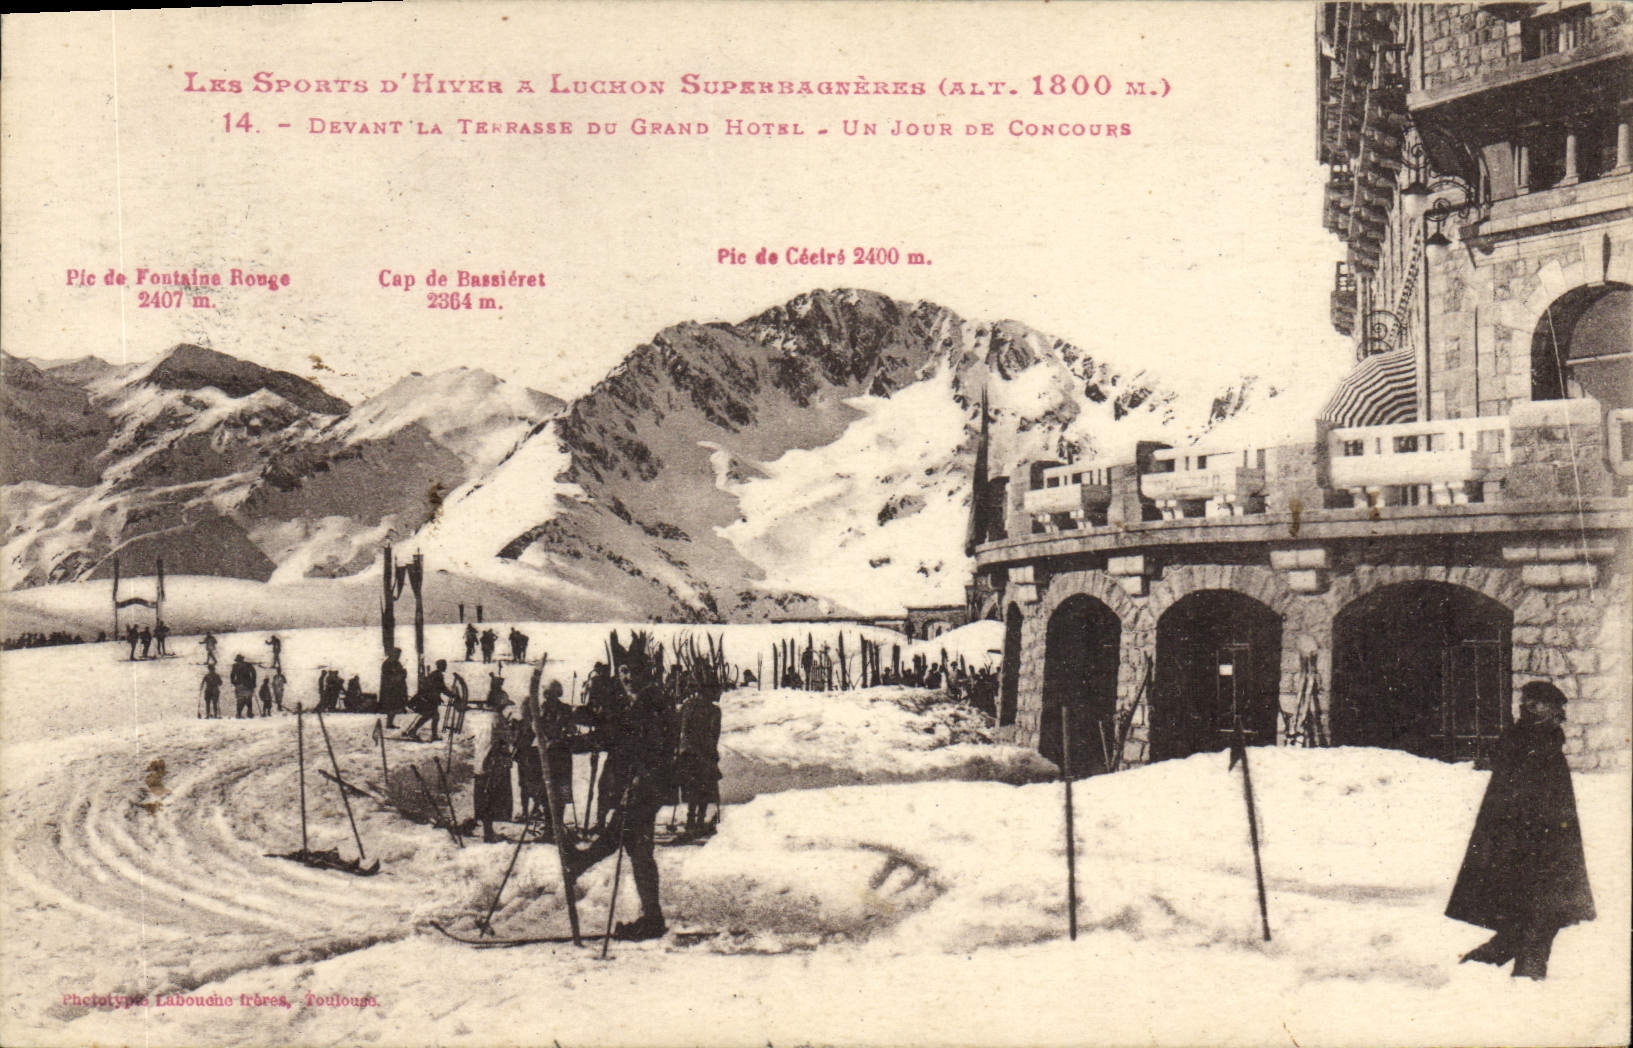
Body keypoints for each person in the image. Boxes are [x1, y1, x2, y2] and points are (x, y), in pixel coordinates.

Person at [1446, 681, 1595, 980]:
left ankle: (1512, 964)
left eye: (1537, 703)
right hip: (1517, 838)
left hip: (1547, 840)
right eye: (1526, 701)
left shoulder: (1546, 742)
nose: (1527, 706)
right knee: (1527, 901)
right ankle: (1511, 961)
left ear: (1555, 710)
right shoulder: (1522, 741)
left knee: (1540, 903)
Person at [469, 676, 514, 842]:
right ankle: (489, 834)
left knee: (484, 796)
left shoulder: (483, 717)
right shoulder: (498, 719)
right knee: (492, 798)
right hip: (493, 763)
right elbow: (509, 739)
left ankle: (487, 831)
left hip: (481, 760)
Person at [677, 682, 723, 837]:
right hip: (704, 753)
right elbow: (713, 734)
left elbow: (679, 728)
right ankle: (699, 821)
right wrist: (712, 753)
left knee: (691, 786)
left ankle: (691, 820)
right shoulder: (714, 710)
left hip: (687, 753)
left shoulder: (687, 705)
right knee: (704, 786)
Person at [402, 659, 458, 741]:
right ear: (440, 666)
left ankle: (414, 731)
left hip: (428, 699)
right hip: (428, 699)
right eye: (444, 665)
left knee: (429, 716)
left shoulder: (435, 674)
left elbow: (437, 688)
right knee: (433, 716)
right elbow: (442, 688)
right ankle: (426, 734)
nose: (445, 667)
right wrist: (452, 695)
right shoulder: (437, 675)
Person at [378, 648, 409, 729]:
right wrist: (401, 674)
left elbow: (400, 673)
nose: (399, 656)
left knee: (394, 706)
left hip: (397, 688)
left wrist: (403, 673)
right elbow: (389, 676)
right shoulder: (387, 663)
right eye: (397, 654)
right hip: (390, 688)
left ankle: (389, 723)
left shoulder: (397, 663)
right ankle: (389, 723)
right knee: (392, 706)